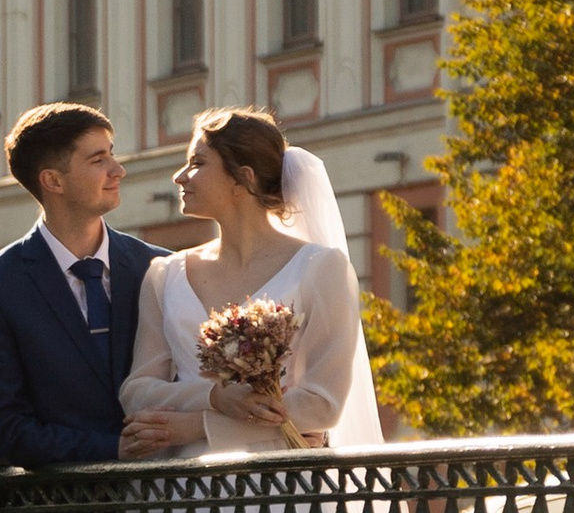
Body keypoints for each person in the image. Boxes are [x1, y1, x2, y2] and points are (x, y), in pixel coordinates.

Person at [117, 107, 382, 459]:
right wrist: (213, 398)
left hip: (280, 488)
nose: (180, 177)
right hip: (184, 492)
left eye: (197, 163)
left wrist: (197, 427)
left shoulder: (321, 268)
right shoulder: (165, 274)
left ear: (243, 179)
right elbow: (137, 391)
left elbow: (321, 404)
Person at [0, 103, 156, 467]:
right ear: (53, 180)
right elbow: (4, 431)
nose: (119, 170)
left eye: (112, 155)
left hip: (171, 512)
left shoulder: (158, 267)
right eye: (98, 160)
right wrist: (112, 449)